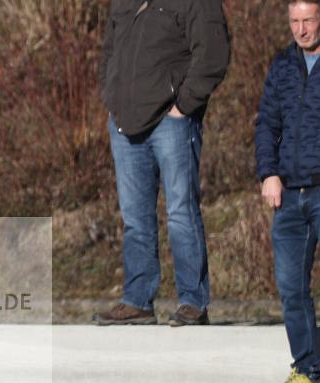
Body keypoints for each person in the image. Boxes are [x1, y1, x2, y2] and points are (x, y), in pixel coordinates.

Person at [93, 0, 230, 326]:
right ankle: (137, 300)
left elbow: (212, 55)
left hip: (172, 121)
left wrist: (183, 106)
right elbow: (109, 51)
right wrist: (111, 98)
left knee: (181, 212)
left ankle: (193, 302)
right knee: (134, 217)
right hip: (125, 122)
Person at [256, 0, 320, 383]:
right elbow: (267, 122)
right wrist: (268, 173)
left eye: (308, 20)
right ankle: (307, 369)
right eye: (294, 21)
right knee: (291, 289)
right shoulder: (282, 65)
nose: (301, 29)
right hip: (288, 195)